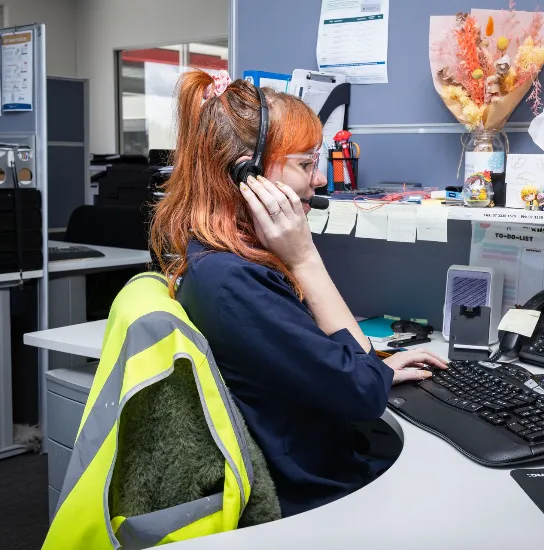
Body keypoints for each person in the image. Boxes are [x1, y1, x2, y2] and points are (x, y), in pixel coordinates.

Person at [150, 70, 448, 518]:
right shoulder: (236, 283)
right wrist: (305, 258)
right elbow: (363, 398)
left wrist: (379, 369)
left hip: (306, 460)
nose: (321, 180)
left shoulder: (217, 258)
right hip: (314, 492)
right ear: (246, 172)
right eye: (306, 163)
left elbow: (356, 370)